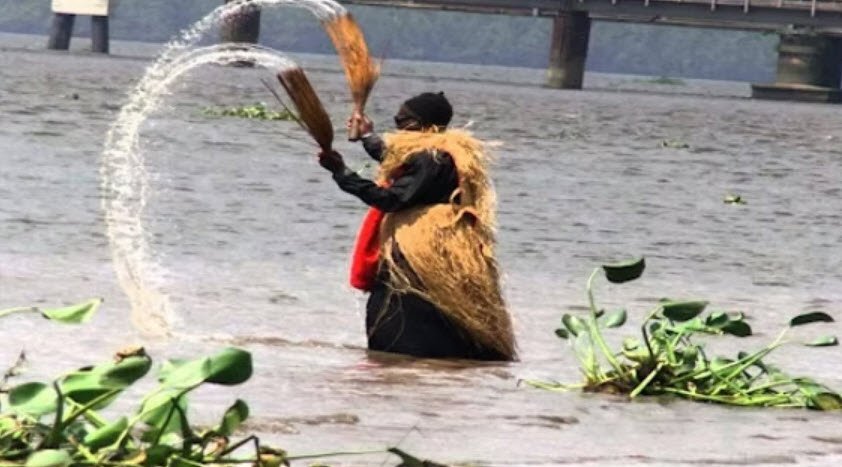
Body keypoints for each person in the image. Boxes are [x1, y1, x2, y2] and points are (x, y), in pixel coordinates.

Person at [317, 92, 516, 361]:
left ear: (423, 125)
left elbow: (391, 199)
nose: (398, 128)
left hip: (421, 249)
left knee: (405, 308)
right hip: (446, 244)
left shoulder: (431, 157)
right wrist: (367, 137)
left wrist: (342, 173)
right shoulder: (442, 151)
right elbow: (399, 158)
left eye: (403, 121)